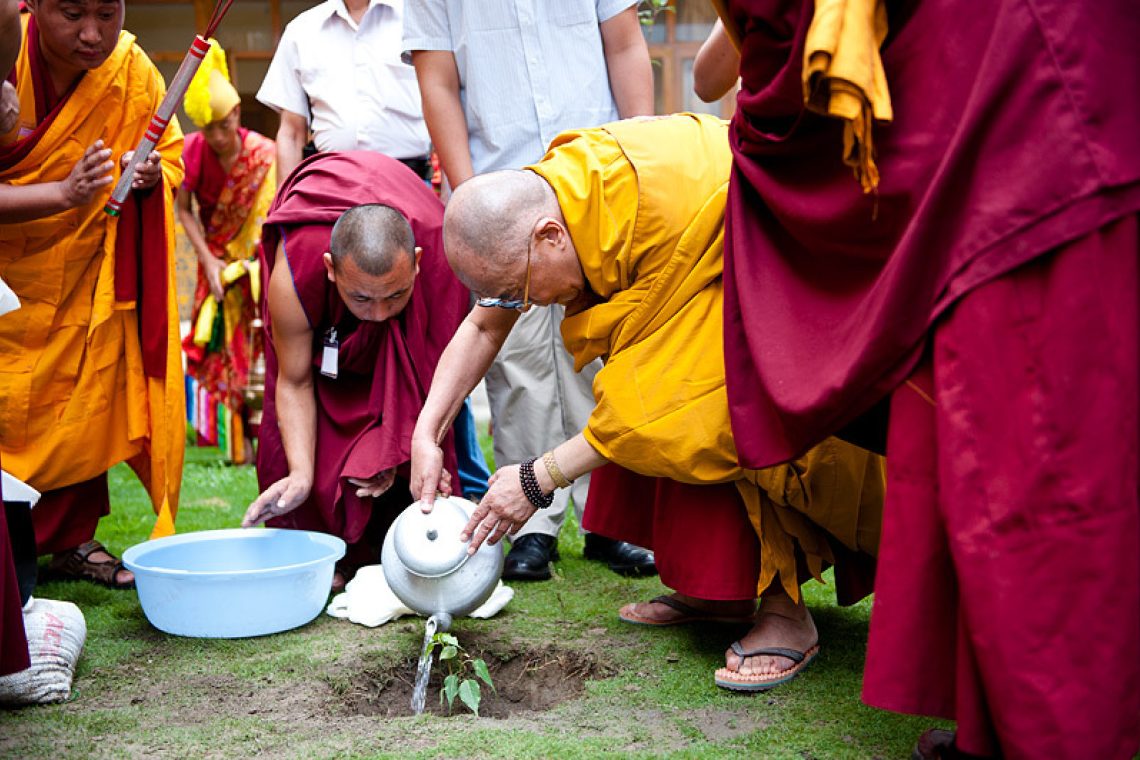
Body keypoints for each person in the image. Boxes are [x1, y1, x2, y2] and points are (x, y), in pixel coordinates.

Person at [714, 0, 1139, 756]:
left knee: (1034, 471)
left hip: (1026, 117)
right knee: (973, 465)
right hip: (999, 105)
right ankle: (997, 726)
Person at [410, 113, 884, 690]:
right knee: (648, 387)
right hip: (696, 308)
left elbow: (677, 404)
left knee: (712, 411)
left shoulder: (645, 205)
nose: (526, 306)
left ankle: (786, 612)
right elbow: (487, 324)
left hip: (776, 298)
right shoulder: (554, 205)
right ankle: (719, 594)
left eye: (522, 290)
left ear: (549, 237)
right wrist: (426, 430)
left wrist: (537, 479)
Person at [404, 0, 658, 581]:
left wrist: (637, 152)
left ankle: (614, 518)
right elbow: (438, 82)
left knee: (604, 356)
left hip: (597, 183)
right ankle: (530, 523)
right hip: (498, 183)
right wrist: (474, 201)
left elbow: (623, 45)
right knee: (516, 368)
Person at [0, 0, 185, 589]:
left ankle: (71, 541)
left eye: (107, 14)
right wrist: (63, 193)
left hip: (86, 276)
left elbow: (171, 157)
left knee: (82, 404)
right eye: (71, 14)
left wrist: (150, 174)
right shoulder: (4, 60)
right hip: (7, 283)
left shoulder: (131, 71)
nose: (92, 34)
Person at [242, 151, 470, 592]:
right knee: (310, 462)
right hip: (320, 353)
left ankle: (401, 550)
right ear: (330, 269)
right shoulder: (298, 265)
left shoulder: (444, 254)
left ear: (418, 263)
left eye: (395, 296)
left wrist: (405, 447)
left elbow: (437, 378)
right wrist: (302, 474)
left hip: (420, 250)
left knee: (398, 460)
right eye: (362, 299)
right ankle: (326, 554)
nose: (380, 314)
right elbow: (294, 380)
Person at [177, 40, 276, 464]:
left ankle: (264, 436)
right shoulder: (193, 151)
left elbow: (272, 213)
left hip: (256, 265)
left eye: (222, 124)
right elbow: (183, 209)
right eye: (207, 127)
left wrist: (257, 264)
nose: (216, 136)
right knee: (218, 347)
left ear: (236, 113)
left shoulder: (264, 155)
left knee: (258, 345)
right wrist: (209, 261)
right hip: (214, 260)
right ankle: (233, 444)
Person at [256, 0, 431, 185]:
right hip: (332, 186)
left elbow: (447, 100)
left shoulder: (418, 18)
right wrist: (284, 206)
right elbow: (291, 133)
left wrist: (449, 196)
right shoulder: (301, 31)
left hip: (408, 181)